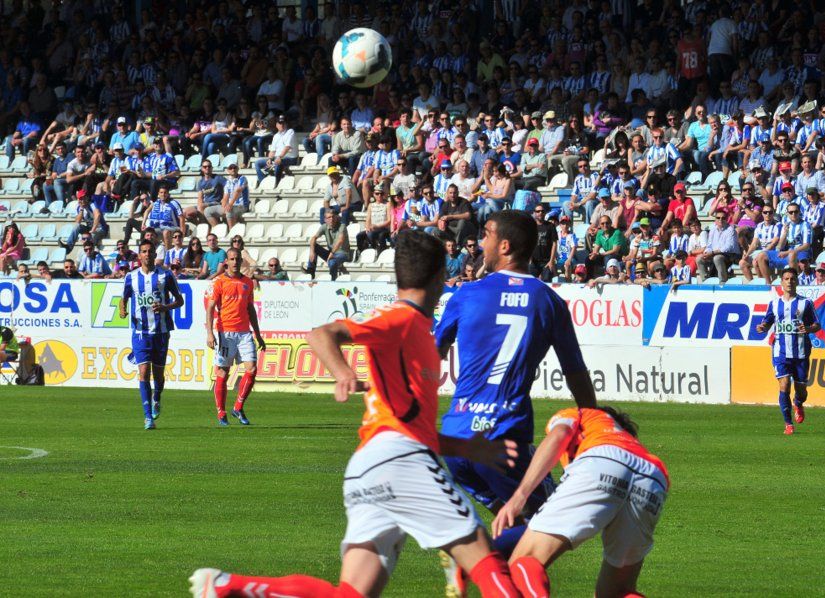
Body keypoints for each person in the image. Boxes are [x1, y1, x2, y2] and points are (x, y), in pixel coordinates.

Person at [190, 231, 520, 598]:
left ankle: (231, 586)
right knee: (488, 563)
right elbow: (322, 333)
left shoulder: (421, 335)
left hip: (372, 466)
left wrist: (469, 449)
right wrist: (344, 372)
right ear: (439, 276)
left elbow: (412, 426)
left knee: (350, 594)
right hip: (402, 462)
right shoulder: (402, 319)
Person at [434, 210, 598, 591]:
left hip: (457, 438)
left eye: (487, 235)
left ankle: (494, 574)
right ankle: (474, 559)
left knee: (523, 533)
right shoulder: (549, 301)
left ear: (505, 247)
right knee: (550, 522)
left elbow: (431, 354)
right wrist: (593, 420)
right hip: (502, 440)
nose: (480, 242)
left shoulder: (466, 294)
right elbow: (575, 372)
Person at [492, 406, 669, 598]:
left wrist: (520, 495)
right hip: (653, 477)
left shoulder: (585, 413)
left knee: (525, 560)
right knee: (618, 592)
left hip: (603, 458)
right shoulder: (630, 441)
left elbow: (560, 433)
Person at [119, 239, 184, 430]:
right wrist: (122, 310)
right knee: (143, 372)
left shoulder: (166, 276)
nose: (147, 254)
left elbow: (179, 301)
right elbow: (123, 299)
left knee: (158, 375)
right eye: (144, 251)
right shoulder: (131, 277)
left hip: (161, 332)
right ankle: (148, 417)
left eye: (150, 251)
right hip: (140, 333)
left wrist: (165, 307)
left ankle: (157, 397)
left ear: (155, 254)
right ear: (139, 255)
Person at [755, 268, 821, 435]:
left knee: (801, 392)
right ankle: (788, 423)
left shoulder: (806, 303)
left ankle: (798, 403)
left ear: (796, 282)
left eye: (792, 279)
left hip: (801, 353)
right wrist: (762, 327)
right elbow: (768, 321)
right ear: (781, 282)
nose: (789, 281)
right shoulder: (775, 304)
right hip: (781, 352)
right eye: (786, 279)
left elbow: (817, 325)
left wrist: (807, 328)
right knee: (784, 384)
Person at [205, 248, 265, 426]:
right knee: (223, 371)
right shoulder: (219, 282)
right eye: (232, 259)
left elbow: (250, 309)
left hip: (245, 332)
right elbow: (210, 308)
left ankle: (237, 407)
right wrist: (210, 333)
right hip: (225, 332)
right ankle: (221, 413)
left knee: (252, 369)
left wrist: (258, 334)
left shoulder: (247, 282)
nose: (235, 262)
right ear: (226, 262)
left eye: (237, 259)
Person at [303, 209, 351, 281]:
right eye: (329, 217)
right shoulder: (324, 226)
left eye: (333, 217)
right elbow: (313, 238)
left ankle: (333, 280)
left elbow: (340, 241)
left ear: (336, 217)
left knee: (332, 261)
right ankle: (311, 271)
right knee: (314, 246)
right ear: (325, 220)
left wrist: (332, 253)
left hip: (342, 253)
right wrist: (312, 251)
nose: (331, 219)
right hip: (331, 253)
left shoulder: (342, 226)